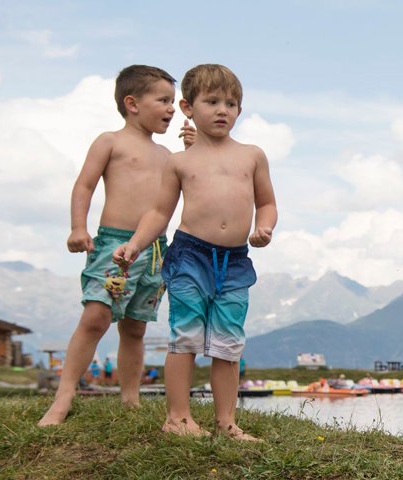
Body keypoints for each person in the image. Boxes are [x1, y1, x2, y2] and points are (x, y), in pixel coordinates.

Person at [115, 64, 277, 441]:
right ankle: (178, 418)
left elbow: (267, 202)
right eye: (213, 101)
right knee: (185, 336)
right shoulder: (180, 161)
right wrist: (135, 244)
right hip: (189, 256)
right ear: (188, 107)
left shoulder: (252, 156)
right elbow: (159, 212)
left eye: (232, 103)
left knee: (229, 342)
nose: (224, 110)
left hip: (235, 261)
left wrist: (264, 227)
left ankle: (226, 422)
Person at [38, 65, 179, 427]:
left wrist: (195, 151)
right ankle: (65, 393)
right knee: (96, 316)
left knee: (135, 327)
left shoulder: (168, 156)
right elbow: (84, 185)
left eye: (173, 102)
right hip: (114, 246)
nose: (172, 108)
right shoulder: (109, 141)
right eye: (163, 100)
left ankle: (130, 400)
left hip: (155, 251)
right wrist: (77, 227)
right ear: (132, 103)